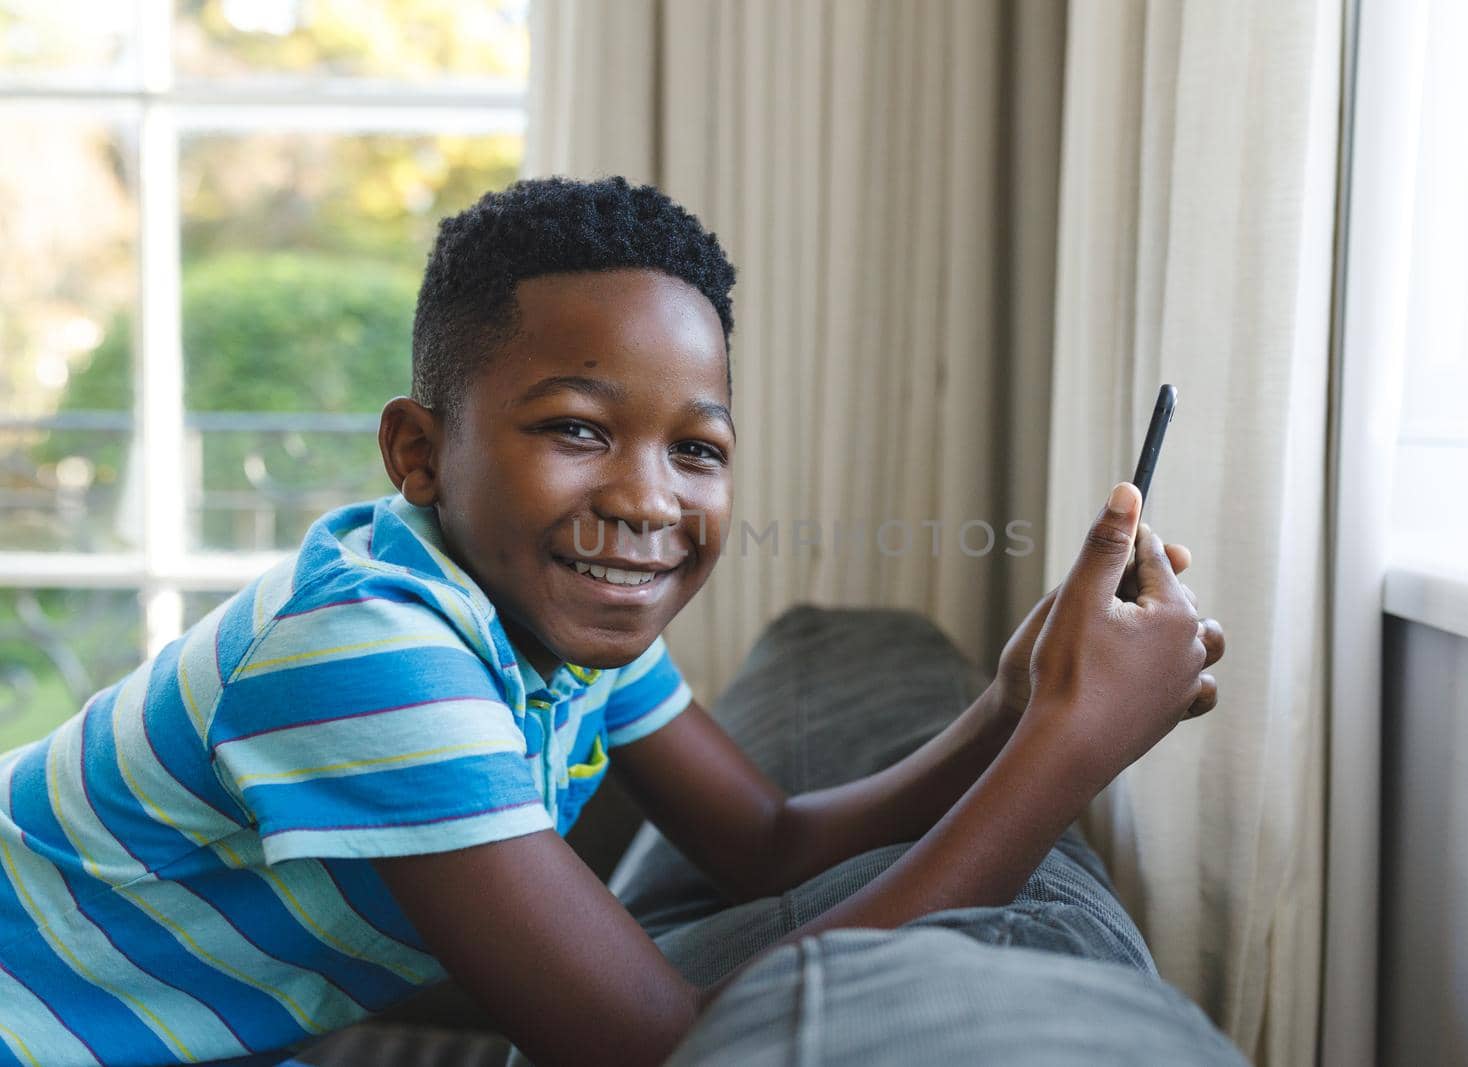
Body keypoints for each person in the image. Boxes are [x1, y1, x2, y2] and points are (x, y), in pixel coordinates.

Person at [0, 175, 1226, 1067]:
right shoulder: (368, 650)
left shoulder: (563, 622)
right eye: (577, 428)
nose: (646, 497)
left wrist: (1011, 706)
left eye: (696, 447)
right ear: (418, 452)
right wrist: (1072, 746)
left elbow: (763, 838)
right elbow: (656, 1047)